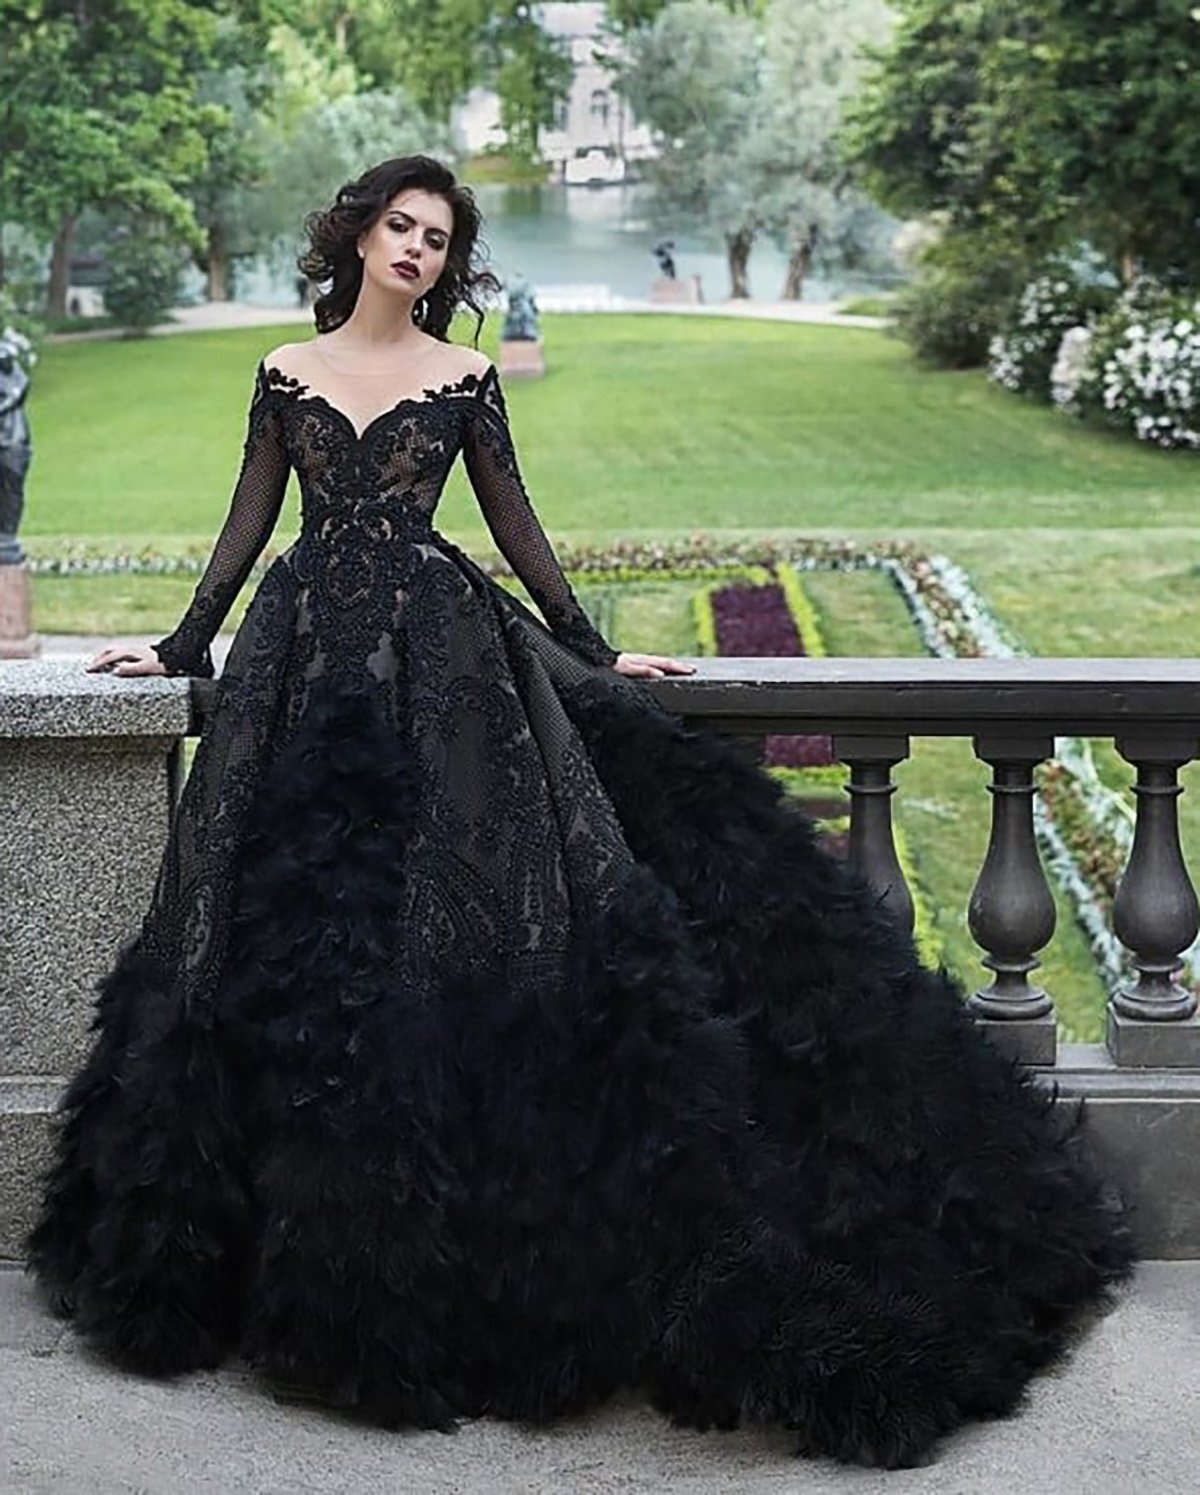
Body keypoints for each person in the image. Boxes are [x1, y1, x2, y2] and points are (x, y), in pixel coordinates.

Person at [27, 154, 1134, 1470]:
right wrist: (175, 646)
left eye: (439, 238)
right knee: (276, 947)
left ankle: (444, 1259)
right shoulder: (282, 370)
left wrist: (598, 655)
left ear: (450, 260)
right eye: (401, 227)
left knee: (454, 921)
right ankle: (246, 1252)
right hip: (297, 666)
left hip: (442, 662)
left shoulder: (466, 381)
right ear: (359, 234)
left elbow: (517, 528)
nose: (418, 251)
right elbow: (247, 523)